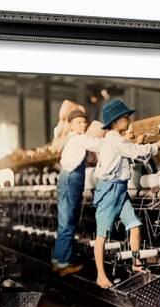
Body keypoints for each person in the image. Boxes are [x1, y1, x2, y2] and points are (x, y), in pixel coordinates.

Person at [92, 99, 160, 288]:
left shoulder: (116, 139)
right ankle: (101, 275)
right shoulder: (113, 138)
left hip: (120, 189)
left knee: (135, 226)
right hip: (109, 190)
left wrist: (135, 142)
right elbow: (133, 151)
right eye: (125, 117)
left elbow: (127, 150)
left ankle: (136, 262)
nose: (128, 120)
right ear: (116, 121)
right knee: (101, 235)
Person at [51, 109, 104, 276]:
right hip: (71, 180)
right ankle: (64, 264)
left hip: (68, 179)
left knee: (65, 222)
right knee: (68, 222)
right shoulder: (78, 138)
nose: (83, 124)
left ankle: (58, 261)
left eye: (84, 122)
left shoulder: (70, 139)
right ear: (71, 125)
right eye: (78, 122)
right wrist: (115, 138)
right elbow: (98, 144)